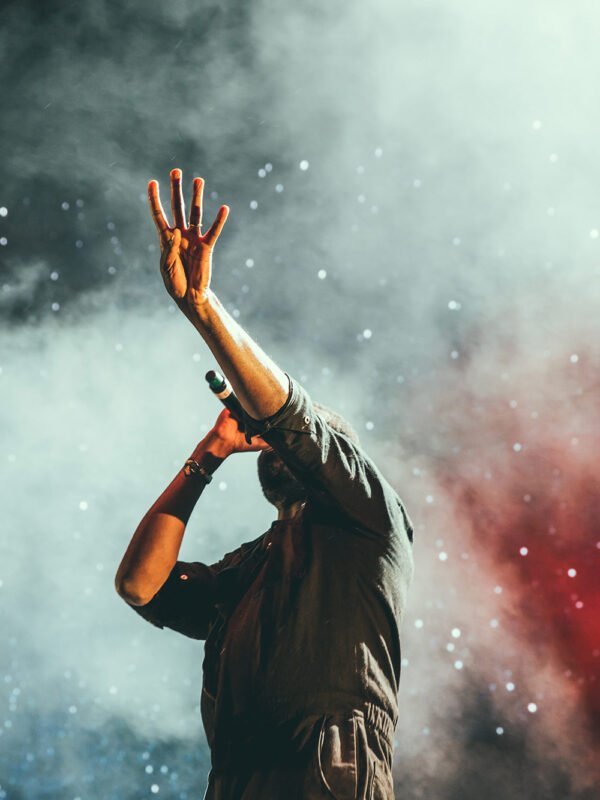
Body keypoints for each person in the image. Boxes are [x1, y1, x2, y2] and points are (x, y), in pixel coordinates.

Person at [114, 169, 415, 799]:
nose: (273, 440)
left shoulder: (369, 514)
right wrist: (208, 453)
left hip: (328, 767)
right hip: (236, 779)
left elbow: (292, 418)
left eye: (290, 439)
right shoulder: (248, 565)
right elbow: (140, 585)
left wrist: (203, 309)